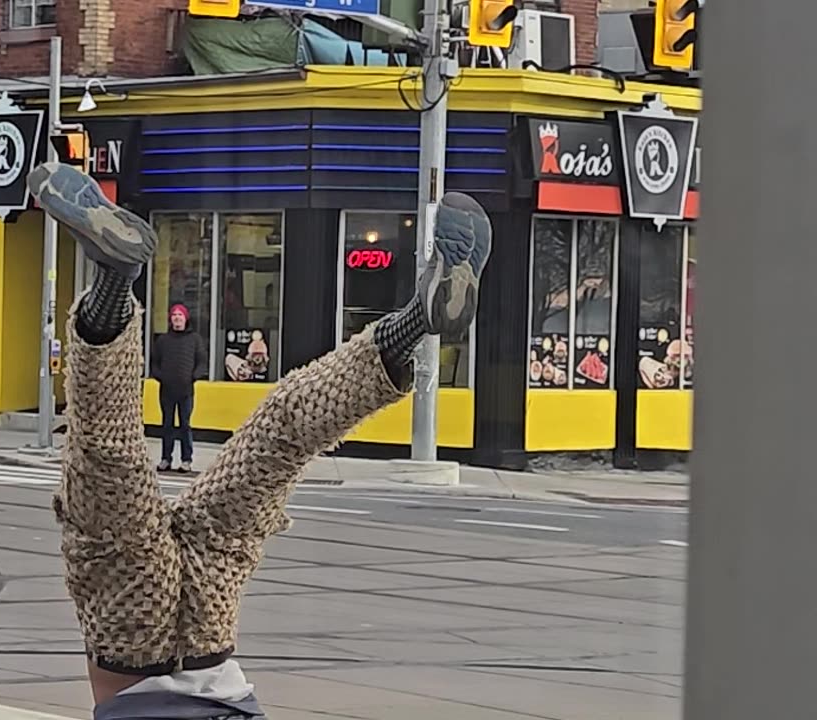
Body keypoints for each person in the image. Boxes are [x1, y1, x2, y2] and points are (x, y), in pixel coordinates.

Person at [27, 161, 491, 720]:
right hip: (131, 638)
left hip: (214, 640)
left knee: (283, 437)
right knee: (107, 457)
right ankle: (113, 282)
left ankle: (415, 319)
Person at [151, 303, 206, 473]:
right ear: (170, 319)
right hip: (166, 390)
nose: (177, 318)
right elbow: (155, 363)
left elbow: (201, 361)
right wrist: (161, 377)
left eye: (180, 315)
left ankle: (186, 460)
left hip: (186, 391)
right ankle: (166, 459)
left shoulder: (195, 339)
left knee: (185, 425)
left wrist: (193, 377)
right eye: (174, 315)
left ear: (185, 318)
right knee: (167, 425)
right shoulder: (163, 340)